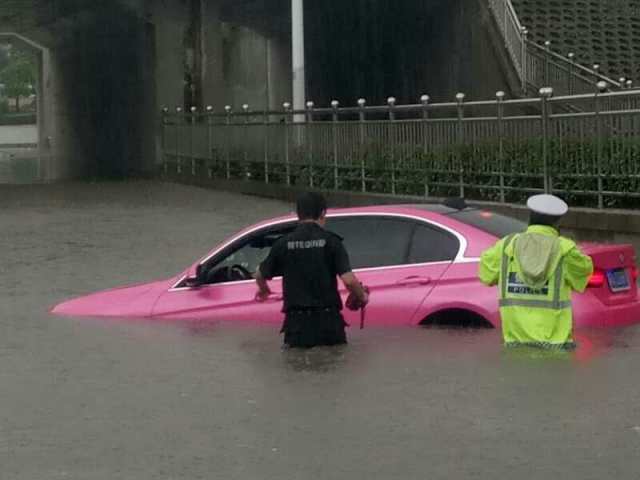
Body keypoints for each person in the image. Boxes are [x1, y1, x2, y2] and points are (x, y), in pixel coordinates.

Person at [254, 192, 369, 348]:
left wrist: (264, 291)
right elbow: (348, 280)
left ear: (298, 214)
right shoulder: (332, 242)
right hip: (329, 323)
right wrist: (362, 296)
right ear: (322, 213)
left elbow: (260, 274)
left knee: (297, 366)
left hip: (297, 325)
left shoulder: (282, 244)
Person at [478, 194, 593, 349]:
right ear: (558, 221)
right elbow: (584, 273)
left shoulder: (505, 246)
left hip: (515, 344)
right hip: (555, 347)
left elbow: (486, 276)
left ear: (530, 217)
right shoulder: (566, 250)